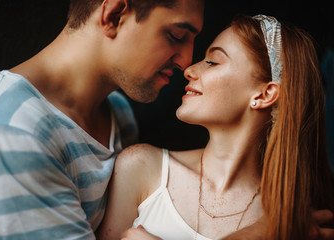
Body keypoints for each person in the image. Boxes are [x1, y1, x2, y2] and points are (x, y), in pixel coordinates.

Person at [0, 0, 204, 239]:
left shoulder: (118, 113)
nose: (186, 61)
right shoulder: (11, 131)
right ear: (114, 15)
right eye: (176, 35)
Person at [97, 15, 334, 240]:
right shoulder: (141, 167)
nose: (189, 70)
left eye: (212, 61)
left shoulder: (297, 223)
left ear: (264, 94)